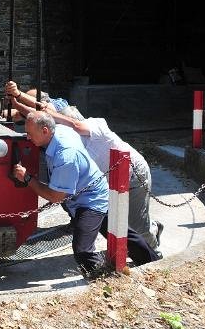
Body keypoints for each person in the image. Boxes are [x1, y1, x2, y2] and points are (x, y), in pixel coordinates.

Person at [6, 81, 163, 256]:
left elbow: (65, 121)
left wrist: (19, 95)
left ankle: (155, 253)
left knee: (137, 228)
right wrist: (17, 103)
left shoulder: (93, 126)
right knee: (117, 225)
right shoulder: (62, 133)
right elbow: (38, 118)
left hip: (132, 175)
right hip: (106, 180)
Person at [13, 111, 159, 278]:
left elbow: (56, 196)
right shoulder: (59, 131)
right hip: (91, 192)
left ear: (45, 130)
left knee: (83, 250)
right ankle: (154, 263)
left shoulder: (65, 156)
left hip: (90, 199)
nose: (27, 137)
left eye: (30, 133)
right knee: (123, 234)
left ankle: (105, 279)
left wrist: (27, 178)